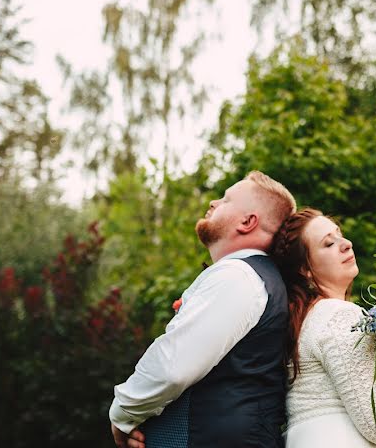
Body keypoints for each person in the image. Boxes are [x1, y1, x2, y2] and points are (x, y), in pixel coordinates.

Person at [109, 171, 296, 448]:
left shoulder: (239, 276)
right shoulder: (258, 277)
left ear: (247, 221)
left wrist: (123, 413)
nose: (213, 202)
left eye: (226, 199)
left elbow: (173, 365)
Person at [271, 208, 376, 447]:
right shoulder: (338, 316)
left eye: (340, 235)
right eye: (328, 243)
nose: (346, 244)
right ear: (304, 269)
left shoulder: (309, 318)